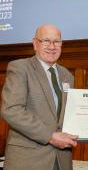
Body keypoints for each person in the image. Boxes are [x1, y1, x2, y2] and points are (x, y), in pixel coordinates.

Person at [1, 24, 79, 170]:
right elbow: (11, 110)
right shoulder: (20, 68)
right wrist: (50, 136)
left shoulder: (67, 75)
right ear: (35, 43)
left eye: (57, 41)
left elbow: (69, 116)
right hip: (28, 161)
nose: (52, 46)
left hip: (61, 161)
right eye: (46, 41)